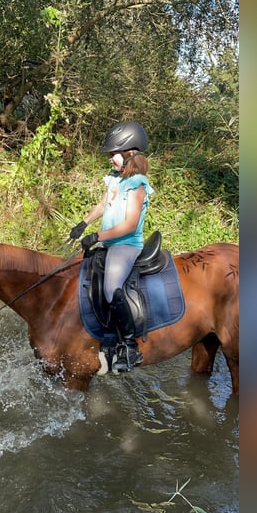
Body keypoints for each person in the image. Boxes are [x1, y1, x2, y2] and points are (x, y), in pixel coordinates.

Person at [69, 121, 154, 372]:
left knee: (111, 288)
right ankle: (102, 335)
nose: (110, 159)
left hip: (125, 246)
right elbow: (102, 206)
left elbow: (129, 225)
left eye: (113, 154)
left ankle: (129, 347)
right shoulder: (115, 180)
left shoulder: (137, 184)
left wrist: (97, 236)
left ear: (130, 153)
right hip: (108, 242)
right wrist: (82, 224)